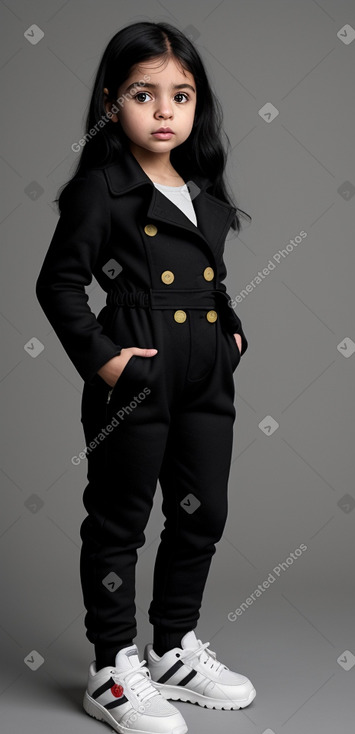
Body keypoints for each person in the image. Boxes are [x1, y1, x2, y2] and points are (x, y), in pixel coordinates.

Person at [35, 20, 255, 734]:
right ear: (111, 104)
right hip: (136, 363)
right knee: (119, 520)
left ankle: (172, 649)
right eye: (143, 93)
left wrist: (229, 323)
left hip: (204, 372)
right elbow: (60, 284)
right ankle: (111, 669)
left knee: (203, 512)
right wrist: (104, 358)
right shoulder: (102, 188)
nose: (164, 111)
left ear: (197, 106)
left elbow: (207, 276)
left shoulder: (199, 187)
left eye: (181, 95)